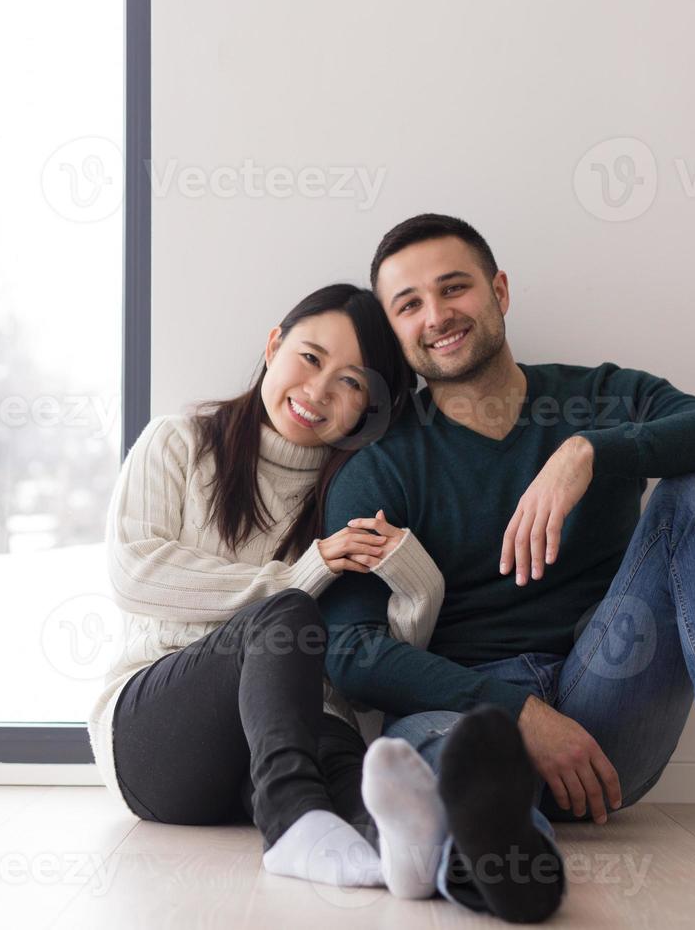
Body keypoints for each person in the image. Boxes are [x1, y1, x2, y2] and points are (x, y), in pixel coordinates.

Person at [321, 213, 695, 922]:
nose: (437, 316)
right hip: (463, 716)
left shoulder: (600, 397)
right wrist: (516, 712)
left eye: (454, 288)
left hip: (607, 697)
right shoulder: (380, 465)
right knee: (454, 764)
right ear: (397, 333)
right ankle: (508, 859)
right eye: (410, 305)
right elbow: (351, 651)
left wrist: (592, 452)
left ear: (499, 291)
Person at [87, 283, 447, 888]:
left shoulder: (350, 496)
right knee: (285, 615)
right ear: (274, 344)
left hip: (279, 749)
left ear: (369, 408)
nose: (318, 391)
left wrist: (416, 579)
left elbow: (362, 686)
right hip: (157, 743)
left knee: (340, 745)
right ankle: (295, 824)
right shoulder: (178, 441)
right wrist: (305, 573)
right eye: (310, 358)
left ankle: (407, 854)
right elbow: (134, 573)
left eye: (352, 383)